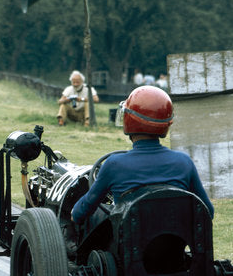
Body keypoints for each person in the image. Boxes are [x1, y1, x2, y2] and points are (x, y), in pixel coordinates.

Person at [71, 85, 213, 226]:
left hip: (130, 246)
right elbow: (208, 211)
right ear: (166, 123)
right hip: (175, 245)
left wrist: (74, 215)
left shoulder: (114, 164)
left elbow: (81, 212)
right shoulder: (184, 162)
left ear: (129, 120)